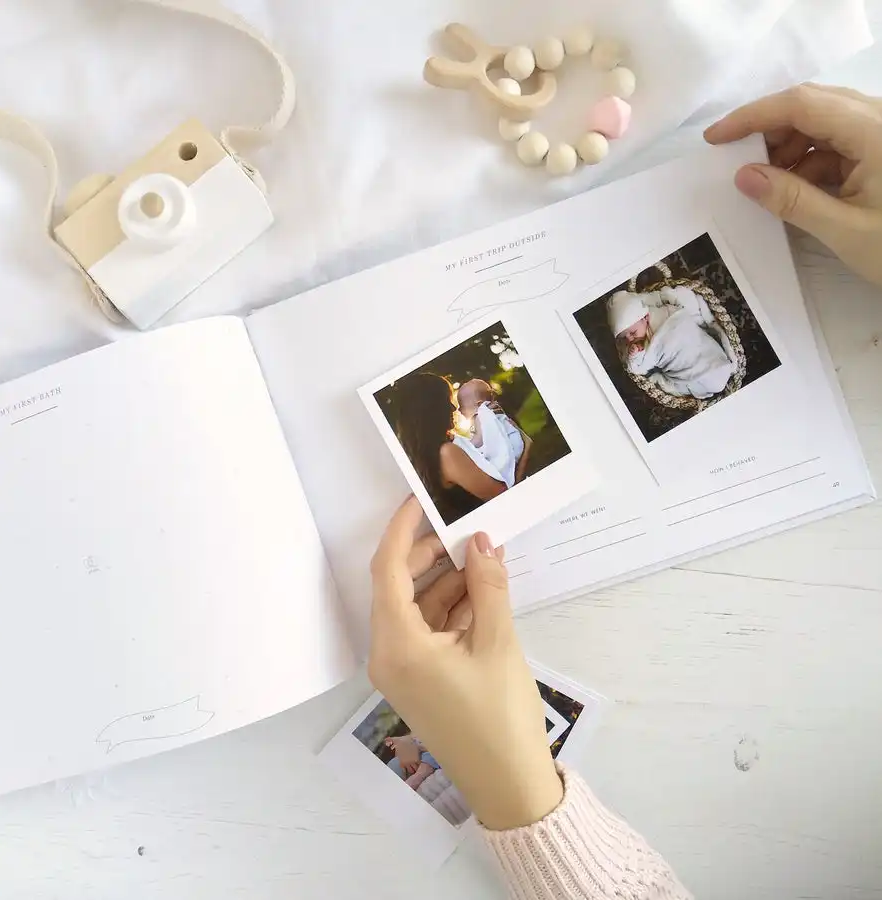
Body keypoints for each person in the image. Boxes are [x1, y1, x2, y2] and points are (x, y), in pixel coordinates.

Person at [368, 82, 882, 900]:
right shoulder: (473, 433)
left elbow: (520, 443)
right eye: (469, 398)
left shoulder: (654, 324)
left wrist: (516, 792)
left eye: (475, 395)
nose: (476, 400)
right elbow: (504, 450)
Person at [393, 372, 507, 525]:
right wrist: (525, 446)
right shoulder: (447, 453)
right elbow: (504, 496)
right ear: (432, 409)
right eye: (447, 400)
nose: (454, 407)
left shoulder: (423, 459)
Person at [607, 285, 735, 400]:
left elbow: (676, 307)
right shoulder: (641, 347)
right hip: (686, 371)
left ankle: (715, 369)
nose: (629, 339)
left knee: (672, 381)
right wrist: (634, 356)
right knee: (672, 385)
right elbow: (637, 368)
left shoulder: (662, 312)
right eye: (624, 337)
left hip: (702, 354)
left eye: (633, 332)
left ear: (645, 317)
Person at [457, 379, 533, 487]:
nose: (459, 409)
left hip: (509, 451)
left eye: (462, 405)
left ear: (479, 405)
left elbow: (478, 441)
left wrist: (464, 446)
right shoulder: (496, 413)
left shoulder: (481, 415)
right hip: (516, 443)